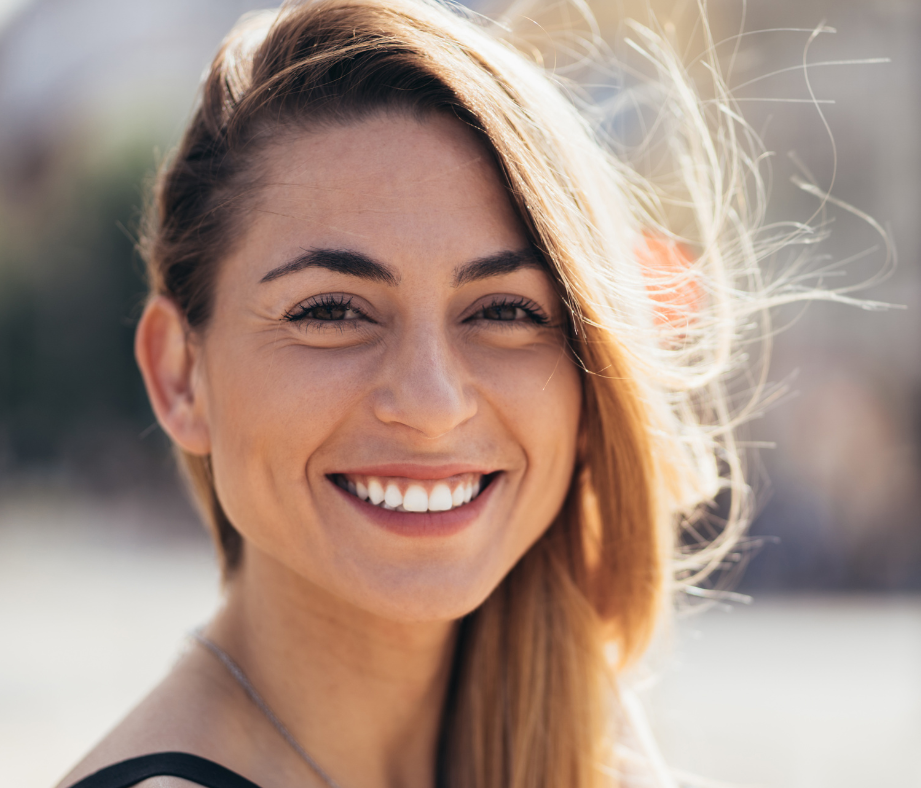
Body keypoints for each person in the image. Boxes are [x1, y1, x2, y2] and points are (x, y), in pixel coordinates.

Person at [56, 1, 801, 786]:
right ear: (180, 376)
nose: (432, 401)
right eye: (331, 311)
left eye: (506, 311)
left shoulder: (579, 746)